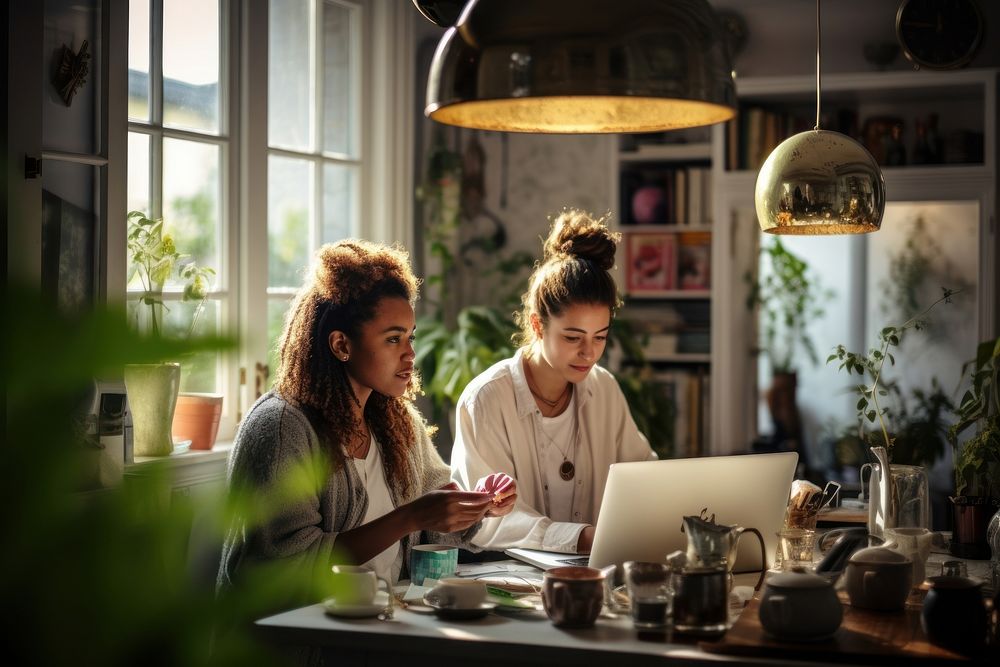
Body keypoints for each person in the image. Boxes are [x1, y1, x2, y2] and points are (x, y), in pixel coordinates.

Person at [217, 240, 516, 603]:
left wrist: (480, 502)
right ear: (342, 345)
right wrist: (409, 517)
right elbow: (287, 568)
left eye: (411, 336)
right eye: (393, 339)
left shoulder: (395, 420)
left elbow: (436, 522)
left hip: (381, 627)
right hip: (305, 647)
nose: (410, 353)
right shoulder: (283, 428)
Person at [450, 209, 656, 554]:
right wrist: (582, 538)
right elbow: (486, 521)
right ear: (537, 325)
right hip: (505, 581)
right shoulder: (486, 399)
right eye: (573, 338)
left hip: (594, 575)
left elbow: (644, 479)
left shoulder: (603, 388)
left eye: (600, 337)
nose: (589, 353)